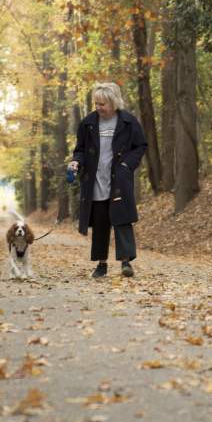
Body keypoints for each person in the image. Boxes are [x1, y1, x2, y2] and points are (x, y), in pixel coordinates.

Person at [69, 82, 147, 278]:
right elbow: (80, 149)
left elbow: (140, 146)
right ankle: (101, 264)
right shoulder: (88, 123)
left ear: (113, 102)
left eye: (102, 104)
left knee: (122, 220)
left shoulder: (129, 122)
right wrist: (76, 162)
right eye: (96, 103)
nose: (98, 108)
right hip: (95, 179)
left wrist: (127, 165)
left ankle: (126, 262)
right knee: (100, 221)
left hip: (119, 179)